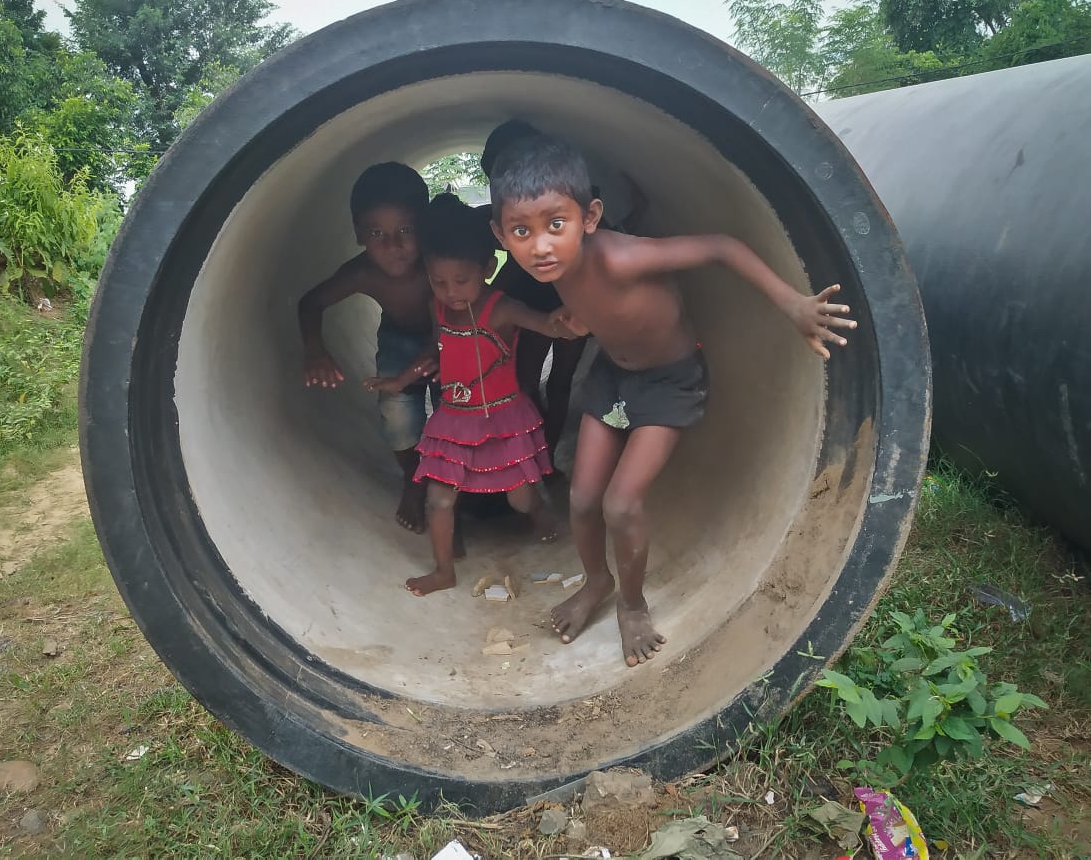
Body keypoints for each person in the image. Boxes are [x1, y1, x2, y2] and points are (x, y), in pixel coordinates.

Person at [488, 136, 857, 667]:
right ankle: (596, 581)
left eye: (556, 224)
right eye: (522, 232)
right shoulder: (554, 269)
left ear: (590, 218)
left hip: (670, 381)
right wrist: (576, 322)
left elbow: (721, 247)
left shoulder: (622, 257)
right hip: (614, 376)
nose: (541, 246)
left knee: (620, 504)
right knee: (582, 499)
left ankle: (632, 604)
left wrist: (793, 304)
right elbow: (609, 311)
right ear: (500, 235)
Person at [367, 194, 567, 596]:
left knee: (520, 498)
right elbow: (434, 348)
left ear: (487, 269)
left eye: (461, 281)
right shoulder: (437, 308)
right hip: (455, 421)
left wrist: (572, 319)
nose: (451, 292)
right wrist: (401, 380)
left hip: (502, 419)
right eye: (439, 282)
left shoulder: (502, 308)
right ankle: (444, 570)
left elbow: (545, 324)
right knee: (440, 499)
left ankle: (541, 514)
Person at [479, 120, 649, 475]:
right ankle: (535, 459)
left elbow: (604, 240)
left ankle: (541, 459)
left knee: (545, 382)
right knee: (539, 383)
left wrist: (636, 212)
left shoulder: (562, 202)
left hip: (566, 305)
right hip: (541, 306)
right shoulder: (509, 214)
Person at [297, 162, 437, 534]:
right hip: (398, 336)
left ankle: (460, 479)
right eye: (377, 233)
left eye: (405, 230)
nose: (394, 246)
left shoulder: (437, 261)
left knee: (455, 404)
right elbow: (310, 303)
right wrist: (314, 349)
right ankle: (414, 477)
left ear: (424, 226)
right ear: (359, 234)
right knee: (396, 410)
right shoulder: (361, 273)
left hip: (450, 335)